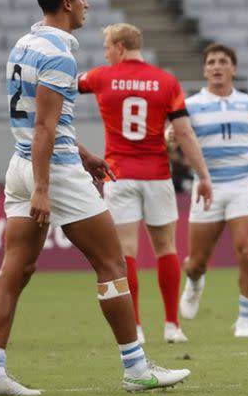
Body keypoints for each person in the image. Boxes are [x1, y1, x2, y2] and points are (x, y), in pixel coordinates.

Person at [0, 0, 190, 396]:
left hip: (20, 164)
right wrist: (43, 186)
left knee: (15, 268)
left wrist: (84, 154)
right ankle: (135, 367)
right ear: (68, 3)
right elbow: (44, 127)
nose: (88, 4)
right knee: (111, 263)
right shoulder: (59, 54)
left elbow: (40, 122)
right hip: (49, 172)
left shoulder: (24, 43)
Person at [78, 22, 213, 345]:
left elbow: (65, 86)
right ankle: (172, 325)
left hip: (118, 174)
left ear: (120, 47)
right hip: (157, 175)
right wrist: (203, 176)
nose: (106, 54)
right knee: (165, 247)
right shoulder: (166, 82)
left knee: (126, 251)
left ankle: (135, 327)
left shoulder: (100, 77)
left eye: (108, 47)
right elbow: (183, 133)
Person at [179, 43, 248, 338]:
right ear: (205, 70)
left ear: (233, 69)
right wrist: (169, 141)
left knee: (247, 251)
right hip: (206, 188)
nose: (217, 66)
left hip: (242, 186)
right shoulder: (190, 106)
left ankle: (245, 319)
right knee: (196, 263)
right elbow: (177, 139)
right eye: (212, 62)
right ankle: (194, 282)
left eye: (223, 61)